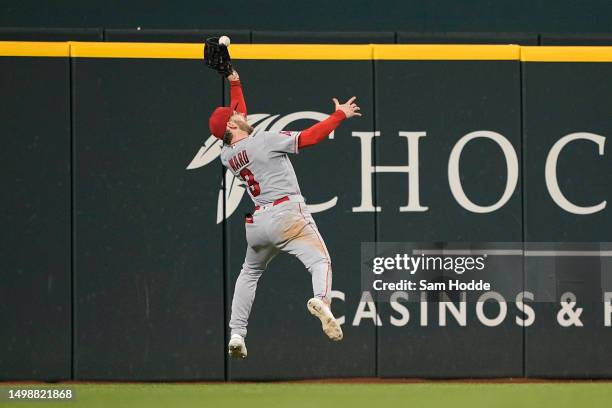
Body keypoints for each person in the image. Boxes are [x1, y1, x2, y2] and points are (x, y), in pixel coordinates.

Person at [208, 69, 361, 358]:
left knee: (249, 273)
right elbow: (310, 137)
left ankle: (237, 334)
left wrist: (234, 79)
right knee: (320, 261)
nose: (241, 114)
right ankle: (321, 300)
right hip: (287, 215)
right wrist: (339, 115)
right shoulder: (263, 140)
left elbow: (237, 117)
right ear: (232, 123)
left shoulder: (226, 154)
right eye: (235, 114)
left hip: (258, 223)